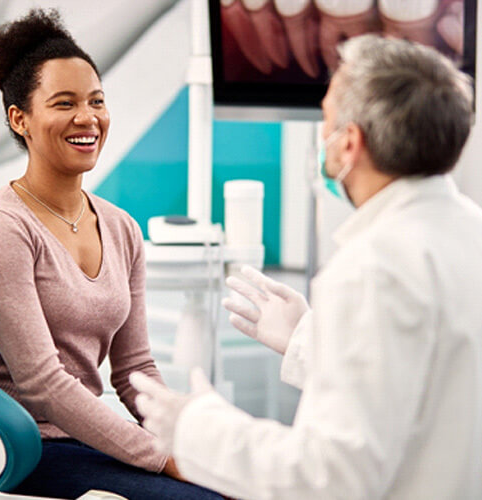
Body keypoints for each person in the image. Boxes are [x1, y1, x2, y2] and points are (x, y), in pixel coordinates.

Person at [130, 33, 482, 499]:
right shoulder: (469, 232)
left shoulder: (371, 267)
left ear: (349, 144)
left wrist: (196, 428)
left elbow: (328, 478)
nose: (322, 136)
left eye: (327, 119)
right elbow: (428, 384)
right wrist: (305, 341)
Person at [0, 8, 222, 500]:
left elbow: (135, 366)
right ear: (20, 119)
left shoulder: (120, 228)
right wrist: (165, 459)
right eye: (64, 103)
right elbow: (43, 385)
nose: (87, 117)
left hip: (80, 441)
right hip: (12, 451)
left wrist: (190, 440)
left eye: (97, 101)